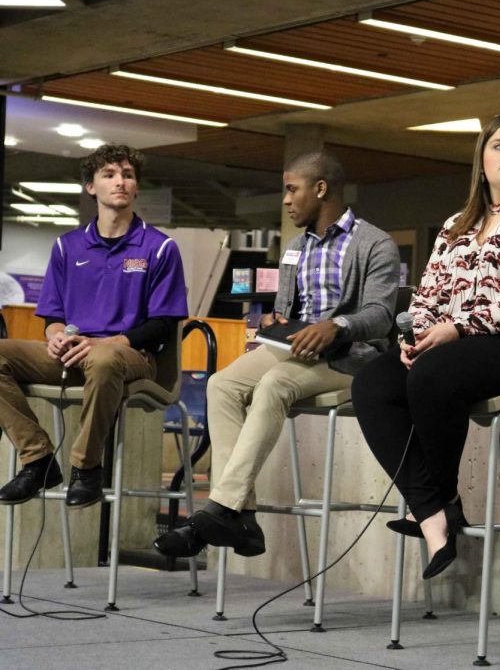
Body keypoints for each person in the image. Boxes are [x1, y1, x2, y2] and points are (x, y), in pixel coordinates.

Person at [351, 114, 500, 580]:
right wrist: (413, 335)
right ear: (482, 162)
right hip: (454, 349)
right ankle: (436, 510)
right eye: (499, 145)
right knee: (373, 382)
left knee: (436, 373)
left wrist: (457, 328)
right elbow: (427, 295)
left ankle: (440, 497)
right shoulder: (456, 225)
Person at [154, 150, 400, 558]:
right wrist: (277, 323)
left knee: (273, 384)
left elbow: (379, 315)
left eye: (291, 189)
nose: (285, 200)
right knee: (223, 384)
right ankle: (241, 517)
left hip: (349, 357)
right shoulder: (294, 247)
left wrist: (336, 325)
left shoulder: (376, 243)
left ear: (320, 189)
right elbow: (289, 310)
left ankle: (217, 511)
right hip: (295, 347)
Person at [0, 143, 188, 509]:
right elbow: (53, 316)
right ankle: (38, 459)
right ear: (91, 187)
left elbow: (164, 323)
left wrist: (110, 341)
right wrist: (55, 337)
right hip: (73, 353)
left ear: (135, 187)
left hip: (132, 355)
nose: (120, 181)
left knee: (104, 359)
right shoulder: (67, 246)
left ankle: (86, 468)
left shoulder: (160, 247)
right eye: (110, 175)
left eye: (128, 175)